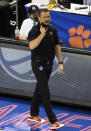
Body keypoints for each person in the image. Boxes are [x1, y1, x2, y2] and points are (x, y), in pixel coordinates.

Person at [27, 8, 64, 129]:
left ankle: (33, 115)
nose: (47, 19)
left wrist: (60, 62)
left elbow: (57, 46)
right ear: (39, 18)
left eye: (48, 16)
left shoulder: (53, 29)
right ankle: (53, 122)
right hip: (38, 63)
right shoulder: (34, 30)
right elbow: (32, 46)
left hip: (49, 63)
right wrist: (42, 34)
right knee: (45, 92)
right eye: (45, 17)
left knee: (39, 89)